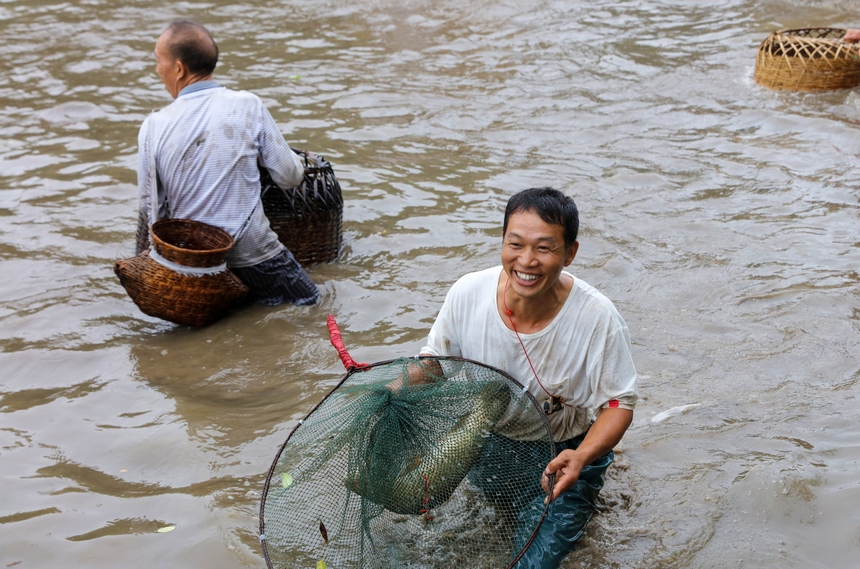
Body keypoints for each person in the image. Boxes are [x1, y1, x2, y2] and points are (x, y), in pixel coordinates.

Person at [419, 187, 638, 568]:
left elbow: (619, 403)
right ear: (502, 242)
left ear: (570, 253)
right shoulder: (468, 293)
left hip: (562, 452)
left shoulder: (597, 317)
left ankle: (586, 500)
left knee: (535, 562)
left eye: (544, 248)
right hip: (491, 445)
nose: (526, 261)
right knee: (485, 529)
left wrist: (582, 456)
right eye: (515, 244)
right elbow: (435, 363)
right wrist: (388, 389)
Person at [137, 19, 319, 306]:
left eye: (159, 62)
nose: (157, 70)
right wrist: (301, 162)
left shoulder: (153, 126)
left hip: (192, 264)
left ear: (179, 68)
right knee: (312, 303)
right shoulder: (247, 105)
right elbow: (289, 176)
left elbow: (152, 208)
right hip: (253, 256)